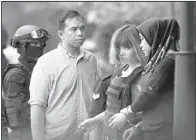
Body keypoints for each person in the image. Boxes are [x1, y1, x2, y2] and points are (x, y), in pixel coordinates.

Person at [29, 10, 101, 140]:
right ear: (61, 34)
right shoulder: (46, 63)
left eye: (82, 28)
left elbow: (98, 102)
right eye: (73, 29)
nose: (80, 33)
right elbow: (37, 107)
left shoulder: (92, 60)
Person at [108, 18, 180, 140]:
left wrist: (127, 112)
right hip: (154, 126)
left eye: (142, 40)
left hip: (162, 129)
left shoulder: (167, 61)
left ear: (153, 37)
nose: (140, 45)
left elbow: (150, 91)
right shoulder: (159, 61)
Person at [79, 24, 146, 140]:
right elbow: (112, 110)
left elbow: (152, 113)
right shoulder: (118, 73)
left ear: (138, 46)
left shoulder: (144, 75)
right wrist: (94, 121)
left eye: (127, 47)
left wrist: (127, 117)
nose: (121, 52)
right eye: (118, 47)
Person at [2, 25, 50, 140]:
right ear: (22, 46)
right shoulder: (15, 75)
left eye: (41, 43)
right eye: (34, 44)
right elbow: (24, 109)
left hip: (40, 131)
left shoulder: (39, 70)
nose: (40, 46)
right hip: (24, 134)